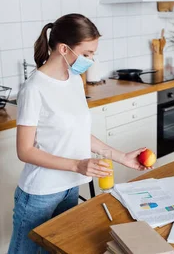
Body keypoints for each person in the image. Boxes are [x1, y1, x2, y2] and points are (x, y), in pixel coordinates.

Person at [9, 14, 150, 254]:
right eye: (86, 54)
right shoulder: (34, 89)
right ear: (64, 49)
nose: (91, 60)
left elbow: (78, 134)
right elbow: (25, 151)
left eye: (93, 54)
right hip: (40, 193)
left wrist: (121, 157)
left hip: (70, 187)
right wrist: (77, 165)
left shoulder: (74, 80)